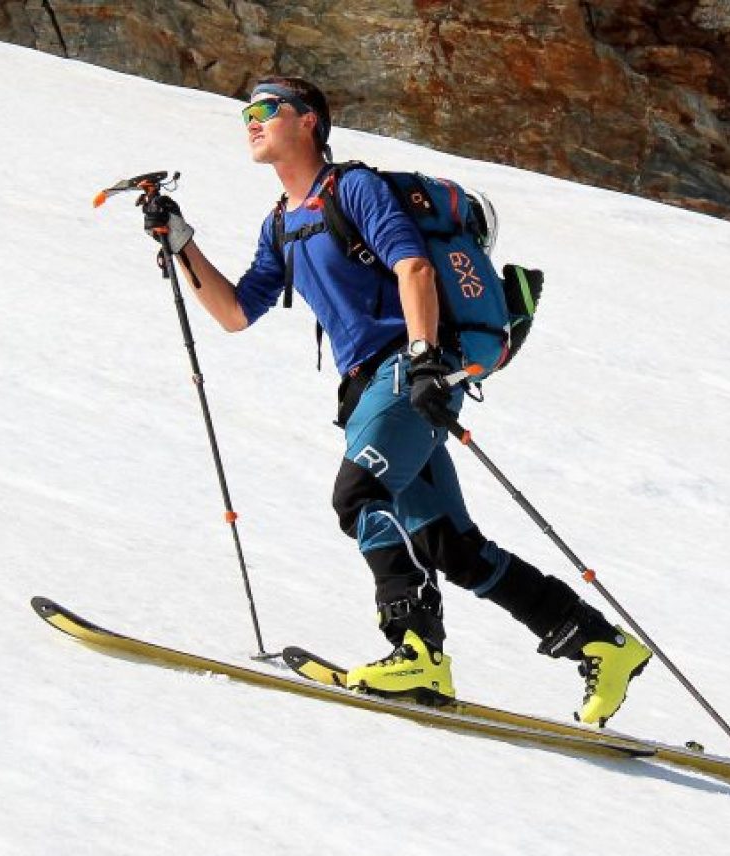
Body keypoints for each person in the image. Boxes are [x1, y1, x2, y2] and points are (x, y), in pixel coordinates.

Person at [142, 76, 651, 724]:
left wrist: (422, 360)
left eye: (267, 108)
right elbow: (237, 311)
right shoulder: (280, 225)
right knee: (449, 545)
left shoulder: (353, 189)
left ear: (308, 122)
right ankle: (600, 643)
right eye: (247, 110)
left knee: (357, 495)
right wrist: (181, 242)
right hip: (369, 388)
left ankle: (416, 649)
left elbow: (412, 267)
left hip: (406, 371)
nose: (252, 119)